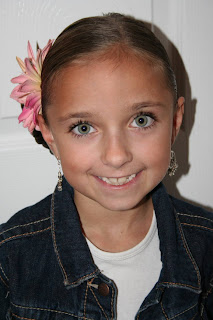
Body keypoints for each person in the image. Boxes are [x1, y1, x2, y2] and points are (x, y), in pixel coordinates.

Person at [0, 13, 212, 320]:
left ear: (175, 121)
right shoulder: (10, 259)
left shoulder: (206, 247)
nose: (116, 156)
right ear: (50, 135)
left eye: (141, 120)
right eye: (84, 127)